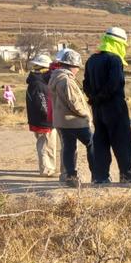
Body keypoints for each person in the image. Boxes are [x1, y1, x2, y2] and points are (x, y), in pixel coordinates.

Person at [82, 26, 131, 185]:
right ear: (119, 43)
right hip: (115, 107)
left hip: (97, 109)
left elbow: (85, 84)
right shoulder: (114, 60)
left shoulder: (92, 60)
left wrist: (94, 98)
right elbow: (115, 83)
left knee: (100, 142)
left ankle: (100, 177)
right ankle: (127, 175)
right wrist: (102, 97)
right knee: (123, 142)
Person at [48, 49, 94, 188]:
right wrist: (86, 114)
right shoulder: (66, 81)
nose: (77, 70)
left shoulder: (55, 77)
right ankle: (97, 173)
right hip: (75, 121)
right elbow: (74, 103)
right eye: (77, 67)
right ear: (71, 66)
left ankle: (70, 176)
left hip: (61, 122)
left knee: (68, 148)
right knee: (92, 144)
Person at [25, 53, 58, 177]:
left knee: (47, 145)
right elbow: (43, 102)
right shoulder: (39, 84)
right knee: (45, 146)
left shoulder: (35, 81)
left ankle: (50, 167)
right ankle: (47, 170)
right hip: (44, 121)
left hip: (39, 120)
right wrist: (49, 118)